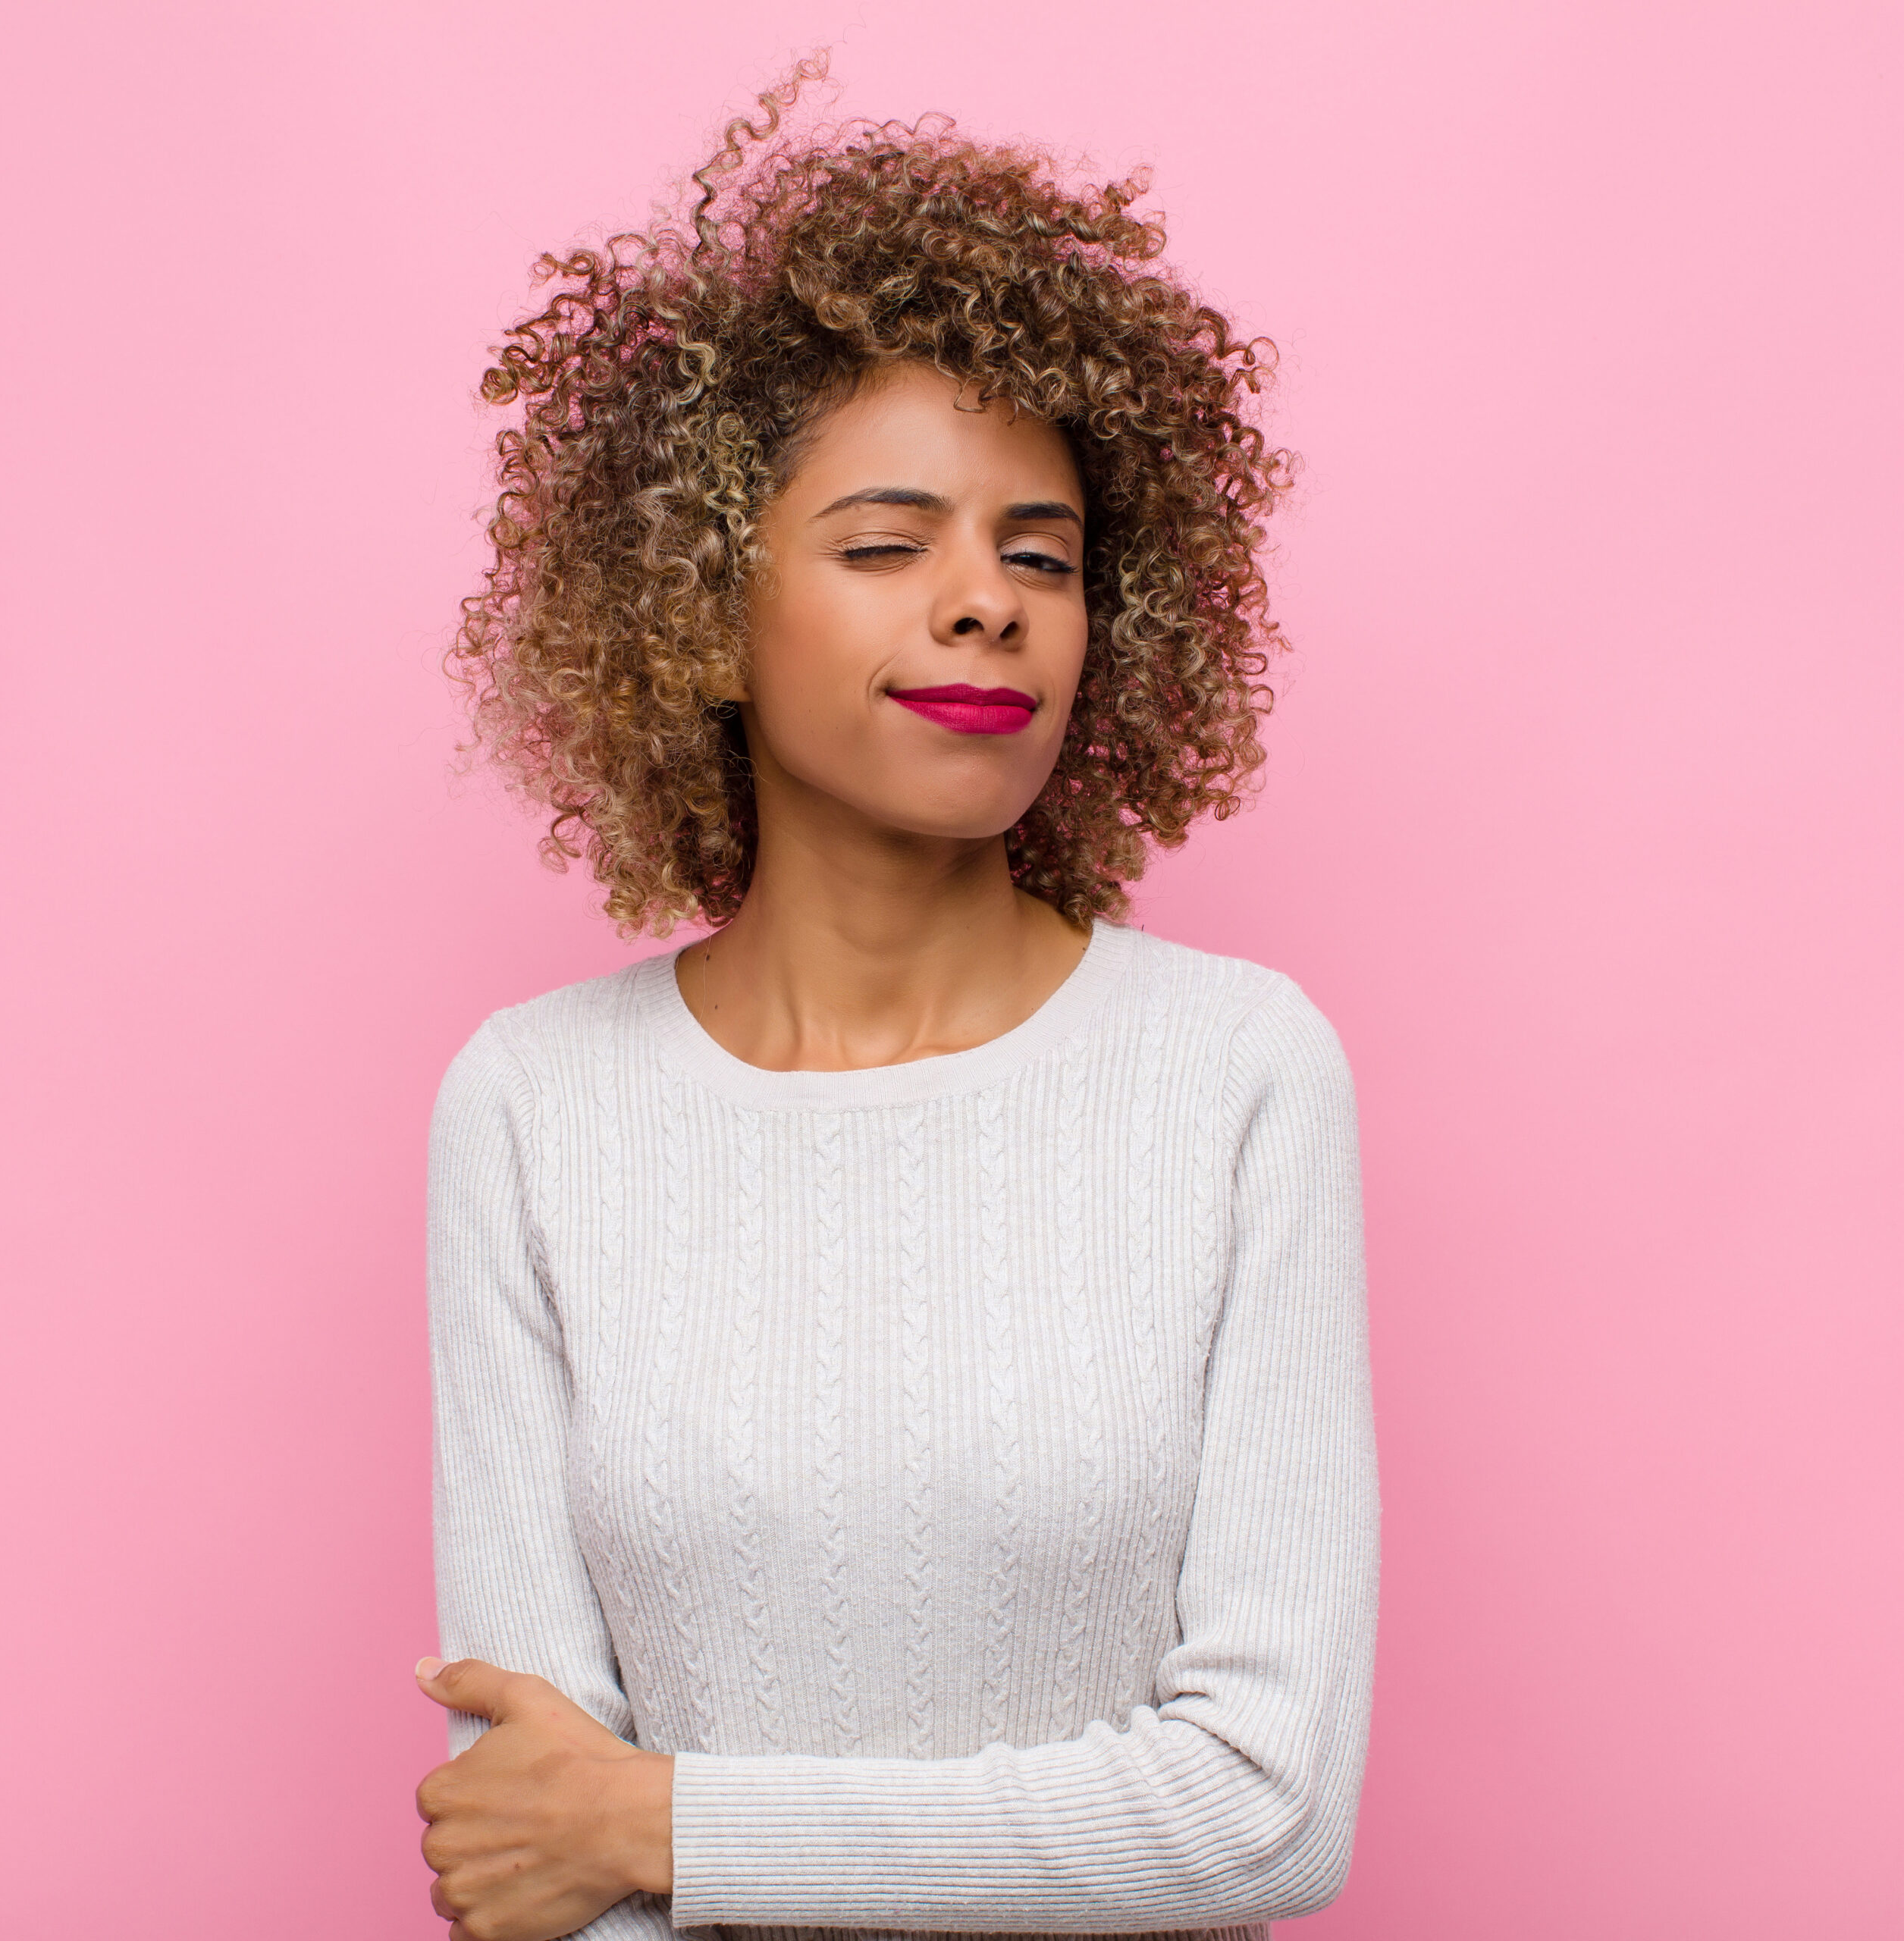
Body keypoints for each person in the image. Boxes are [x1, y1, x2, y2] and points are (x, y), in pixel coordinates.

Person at [412, 61, 1378, 1941]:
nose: (986, 603)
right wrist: (606, 1830)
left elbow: (1269, 1805)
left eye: (1045, 554)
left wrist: (680, 1823)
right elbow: (539, 1832)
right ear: (696, 604)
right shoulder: (528, 1107)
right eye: (886, 545)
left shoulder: (1242, 1071)